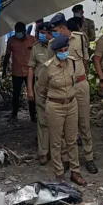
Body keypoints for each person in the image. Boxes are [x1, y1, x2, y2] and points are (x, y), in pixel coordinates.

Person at [50, 14, 98, 173]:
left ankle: (89, 157)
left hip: (80, 84)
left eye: (56, 30)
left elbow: (85, 59)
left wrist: (81, 76)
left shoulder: (80, 38)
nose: (54, 34)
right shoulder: (53, 44)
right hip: (65, 88)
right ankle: (66, 159)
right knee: (66, 126)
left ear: (63, 28)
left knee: (84, 123)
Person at [37, 35, 86, 185]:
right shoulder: (47, 67)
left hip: (71, 104)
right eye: (61, 51)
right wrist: (52, 100)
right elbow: (41, 89)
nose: (64, 52)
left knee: (72, 140)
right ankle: (59, 174)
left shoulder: (72, 62)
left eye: (66, 49)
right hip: (55, 106)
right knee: (56, 142)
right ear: (55, 52)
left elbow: (74, 81)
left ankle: (75, 172)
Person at [27, 22, 54, 164]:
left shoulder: (56, 46)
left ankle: (57, 151)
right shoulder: (36, 47)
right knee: (42, 120)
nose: (43, 35)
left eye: (45, 33)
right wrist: (30, 89)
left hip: (55, 86)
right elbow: (31, 68)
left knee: (56, 119)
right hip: (40, 87)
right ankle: (43, 152)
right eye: (41, 33)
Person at [3, 21, 37, 121]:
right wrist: (4, 69)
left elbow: (37, 54)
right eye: (17, 32)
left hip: (29, 71)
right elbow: (7, 55)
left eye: (20, 32)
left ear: (24, 31)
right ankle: (14, 114)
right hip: (16, 71)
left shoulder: (32, 39)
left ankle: (33, 115)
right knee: (16, 94)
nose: (18, 34)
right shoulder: (11, 40)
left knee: (31, 93)